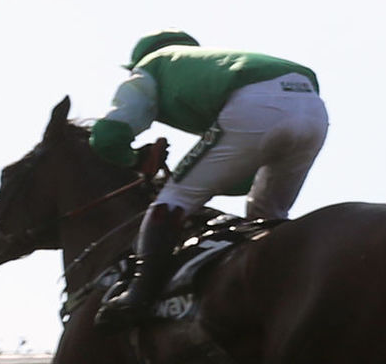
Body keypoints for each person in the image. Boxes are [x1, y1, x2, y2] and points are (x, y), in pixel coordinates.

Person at [91, 33, 330, 329]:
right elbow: (243, 178)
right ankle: (289, 289)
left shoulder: (152, 65)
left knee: (172, 199)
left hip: (254, 106)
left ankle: (140, 295)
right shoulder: (210, 65)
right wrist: (199, 182)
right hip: (313, 109)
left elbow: (107, 137)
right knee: (266, 216)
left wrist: (135, 161)